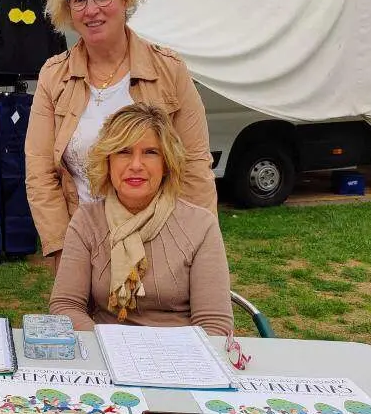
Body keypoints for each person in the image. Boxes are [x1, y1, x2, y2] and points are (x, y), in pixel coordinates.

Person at [26, 0, 216, 272]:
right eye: (79, 0)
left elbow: (195, 167)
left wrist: (195, 246)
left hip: (162, 240)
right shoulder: (53, 76)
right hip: (84, 243)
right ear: (68, 10)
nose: (92, 9)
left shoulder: (169, 69)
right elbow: (39, 173)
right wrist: (62, 248)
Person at [49, 103, 233, 335]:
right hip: (108, 351)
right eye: (123, 152)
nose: (136, 165)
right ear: (108, 161)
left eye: (150, 152)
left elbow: (215, 325)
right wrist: (109, 347)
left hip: (181, 356)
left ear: (166, 163)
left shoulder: (200, 225)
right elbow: (65, 305)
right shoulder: (86, 221)